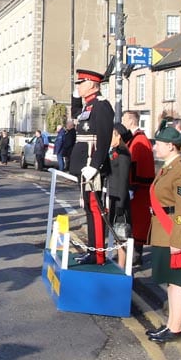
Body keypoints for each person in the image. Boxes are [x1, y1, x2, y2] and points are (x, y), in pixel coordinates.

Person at [144, 126, 181, 343]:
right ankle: (171, 325)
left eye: (158, 143)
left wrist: (178, 241)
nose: (154, 147)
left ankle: (175, 328)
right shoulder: (169, 167)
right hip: (164, 232)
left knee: (178, 282)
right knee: (171, 281)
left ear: (170, 146)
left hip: (174, 233)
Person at [69, 69, 114, 266]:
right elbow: (76, 115)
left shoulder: (101, 106)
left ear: (92, 84)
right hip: (84, 166)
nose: (78, 86)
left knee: (95, 209)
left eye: (81, 83)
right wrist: (74, 97)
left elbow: (104, 139)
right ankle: (92, 251)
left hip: (91, 166)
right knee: (88, 208)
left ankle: (98, 254)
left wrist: (95, 165)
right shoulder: (88, 105)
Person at [123, 110, 153, 265]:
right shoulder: (135, 139)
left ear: (130, 121)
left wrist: (132, 186)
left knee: (138, 223)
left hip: (139, 190)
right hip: (135, 188)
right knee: (133, 222)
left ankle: (136, 255)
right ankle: (132, 254)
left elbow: (137, 166)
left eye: (124, 119)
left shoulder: (140, 140)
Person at [108, 124, 132, 269]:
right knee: (117, 233)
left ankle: (122, 266)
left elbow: (123, 180)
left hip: (120, 199)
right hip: (114, 196)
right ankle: (119, 262)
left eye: (111, 134)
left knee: (122, 234)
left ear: (118, 136)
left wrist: (121, 205)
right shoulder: (115, 151)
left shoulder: (123, 154)